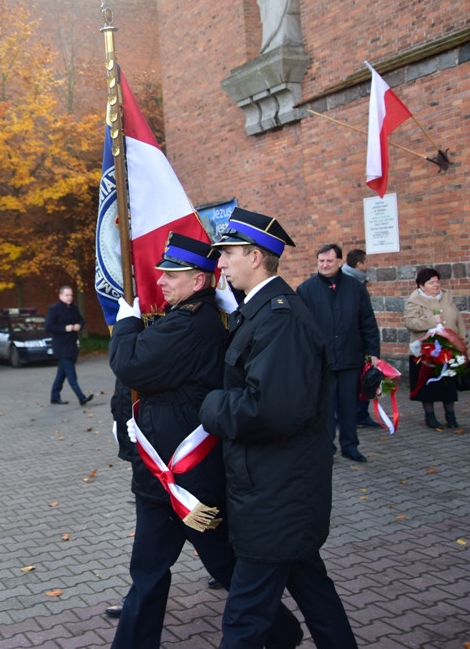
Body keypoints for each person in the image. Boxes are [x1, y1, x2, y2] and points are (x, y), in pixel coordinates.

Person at [108, 233, 302, 649]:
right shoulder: (183, 317)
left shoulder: (190, 323)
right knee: (148, 570)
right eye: (161, 272)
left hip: (189, 477)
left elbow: (130, 363)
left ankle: (282, 632)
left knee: (225, 564)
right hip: (161, 477)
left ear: (199, 281)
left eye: (172, 274)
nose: (160, 281)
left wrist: (125, 323)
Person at [199, 207, 358, 648]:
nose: (222, 263)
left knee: (244, 620)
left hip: (276, 494)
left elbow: (267, 409)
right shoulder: (264, 311)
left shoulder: (280, 318)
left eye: (227, 254)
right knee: (316, 597)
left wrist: (209, 406)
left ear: (255, 255)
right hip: (279, 491)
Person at [296, 244, 380, 462]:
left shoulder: (355, 287)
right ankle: (326, 448)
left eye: (329, 261)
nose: (324, 265)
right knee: (324, 409)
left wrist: (373, 353)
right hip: (321, 361)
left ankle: (350, 446)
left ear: (340, 262)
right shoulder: (306, 290)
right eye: (321, 261)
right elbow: (300, 328)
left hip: (350, 358)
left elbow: (367, 322)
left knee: (349, 407)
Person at [404, 267, 468, 429]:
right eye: (431, 282)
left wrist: (462, 339)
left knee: (449, 385)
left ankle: (450, 416)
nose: (436, 285)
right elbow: (410, 323)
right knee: (428, 386)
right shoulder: (415, 300)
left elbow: (458, 319)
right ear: (421, 285)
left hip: (449, 349)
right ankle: (430, 415)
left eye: (437, 281)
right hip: (426, 352)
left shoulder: (447, 297)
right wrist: (431, 321)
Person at [342, 249, 381, 428]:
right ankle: (348, 417)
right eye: (366, 261)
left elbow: (367, 319)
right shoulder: (345, 283)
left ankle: (361, 414)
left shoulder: (359, 281)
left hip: (361, 341)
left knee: (366, 379)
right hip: (347, 344)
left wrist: (372, 349)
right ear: (359, 264)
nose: (369, 265)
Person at [46, 285, 93, 406]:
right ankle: (81, 397)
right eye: (67, 295)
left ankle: (54, 397)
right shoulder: (54, 309)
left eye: (71, 295)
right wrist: (64, 328)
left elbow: (81, 320)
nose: (70, 297)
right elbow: (49, 326)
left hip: (72, 346)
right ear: (60, 295)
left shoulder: (74, 308)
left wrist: (79, 325)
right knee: (71, 374)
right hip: (61, 347)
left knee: (61, 374)